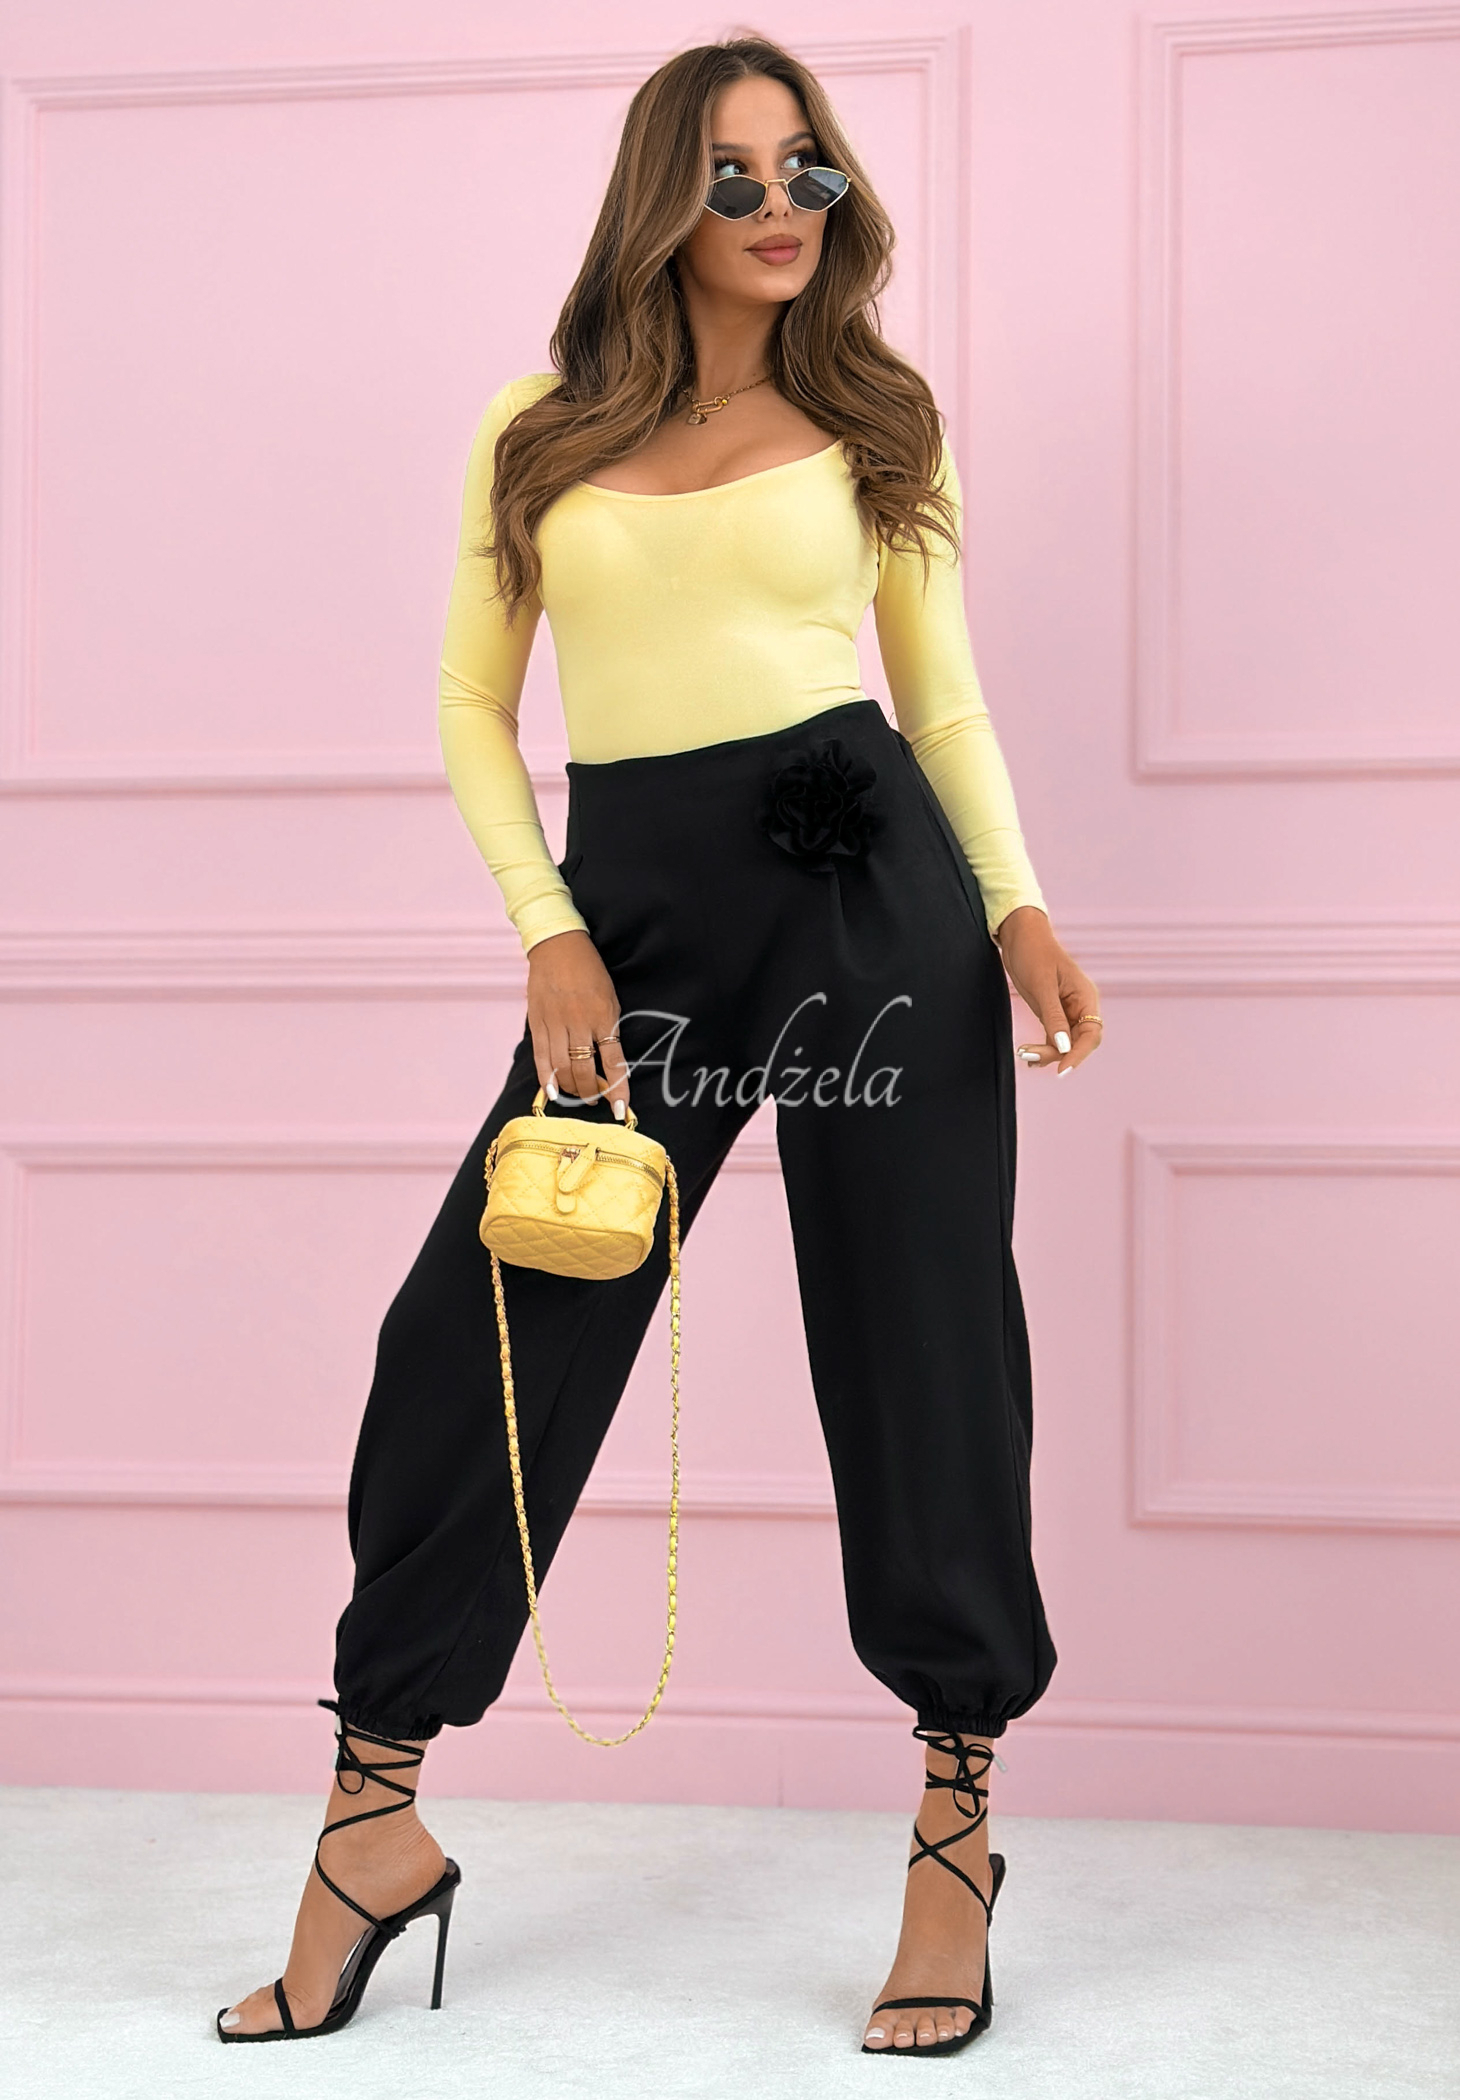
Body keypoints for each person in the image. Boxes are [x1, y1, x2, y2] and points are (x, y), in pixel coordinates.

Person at [217, 32, 1102, 2057]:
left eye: (806, 172)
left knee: (923, 1340)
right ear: (659, 203)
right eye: (732, 178)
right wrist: (549, 928)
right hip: (636, 928)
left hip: (875, 896)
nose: (781, 208)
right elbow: (472, 703)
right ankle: (371, 1825)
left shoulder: (877, 414)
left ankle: (955, 1829)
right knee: (478, 1334)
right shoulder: (536, 427)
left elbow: (942, 699)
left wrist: (1019, 904)